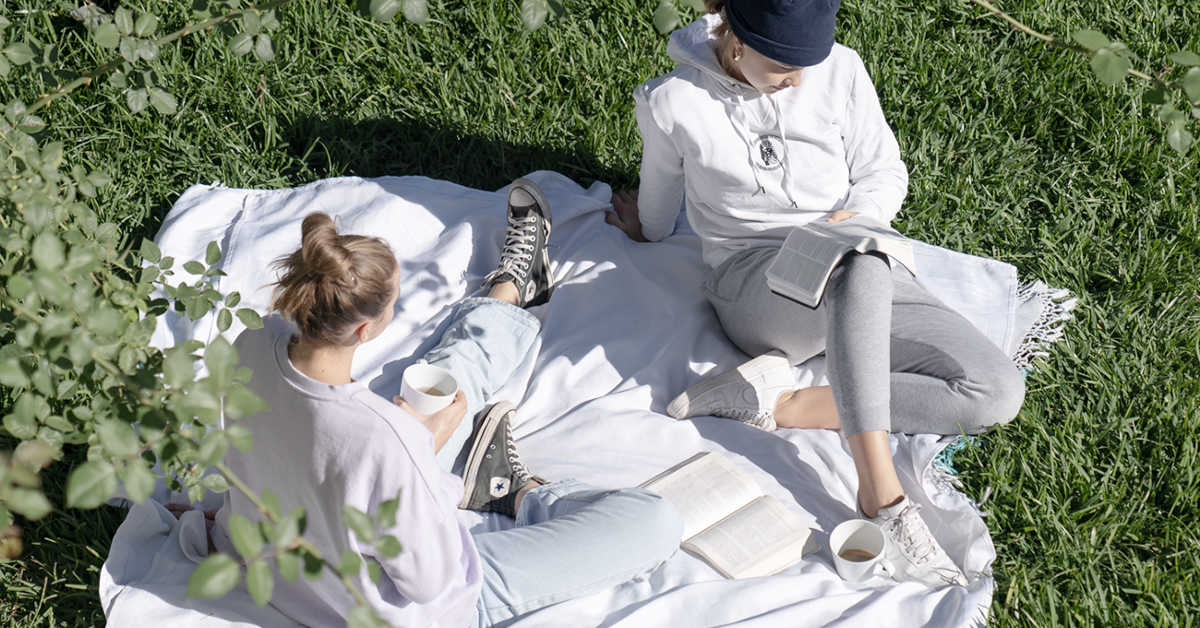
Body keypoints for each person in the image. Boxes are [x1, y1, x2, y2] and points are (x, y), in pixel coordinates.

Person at [605, 0, 1025, 587]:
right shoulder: (676, 102)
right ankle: (881, 494)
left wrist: (861, 215)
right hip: (755, 280)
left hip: (861, 261)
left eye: (809, 62)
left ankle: (782, 404)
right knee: (859, 266)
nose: (799, 79)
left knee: (994, 392)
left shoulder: (842, 70)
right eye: (783, 65)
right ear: (736, 40)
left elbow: (885, 171)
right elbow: (661, 193)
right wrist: (645, 229)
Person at [214, 179, 682, 626]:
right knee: (653, 522)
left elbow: (265, 453)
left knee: (445, 378)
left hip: (289, 568)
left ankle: (514, 287)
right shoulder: (385, 437)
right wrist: (422, 451)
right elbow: (428, 580)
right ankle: (518, 492)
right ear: (364, 330)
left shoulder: (252, 340)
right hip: (405, 612)